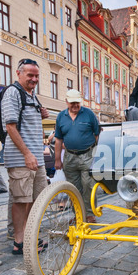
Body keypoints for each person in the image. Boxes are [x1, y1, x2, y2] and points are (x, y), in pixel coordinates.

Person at [1, 58, 49, 254]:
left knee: (36, 199)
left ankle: (29, 236)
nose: (34, 79)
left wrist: (41, 114)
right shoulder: (12, 93)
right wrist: (27, 154)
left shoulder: (31, 94)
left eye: (37, 75)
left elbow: (27, 122)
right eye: (30, 75)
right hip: (22, 158)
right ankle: (19, 241)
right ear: (18, 73)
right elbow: (10, 127)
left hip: (35, 158)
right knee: (21, 200)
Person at [54, 89, 100, 223]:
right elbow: (58, 139)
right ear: (67, 101)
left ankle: (90, 214)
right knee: (74, 188)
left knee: (88, 186)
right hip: (70, 156)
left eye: (77, 103)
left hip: (88, 154)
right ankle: (78, 215)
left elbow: (97, 135)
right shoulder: (61, 116)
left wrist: (98, 155)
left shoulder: (89, 114)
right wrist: (57, 159)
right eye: (72, 103)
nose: (75, 105)